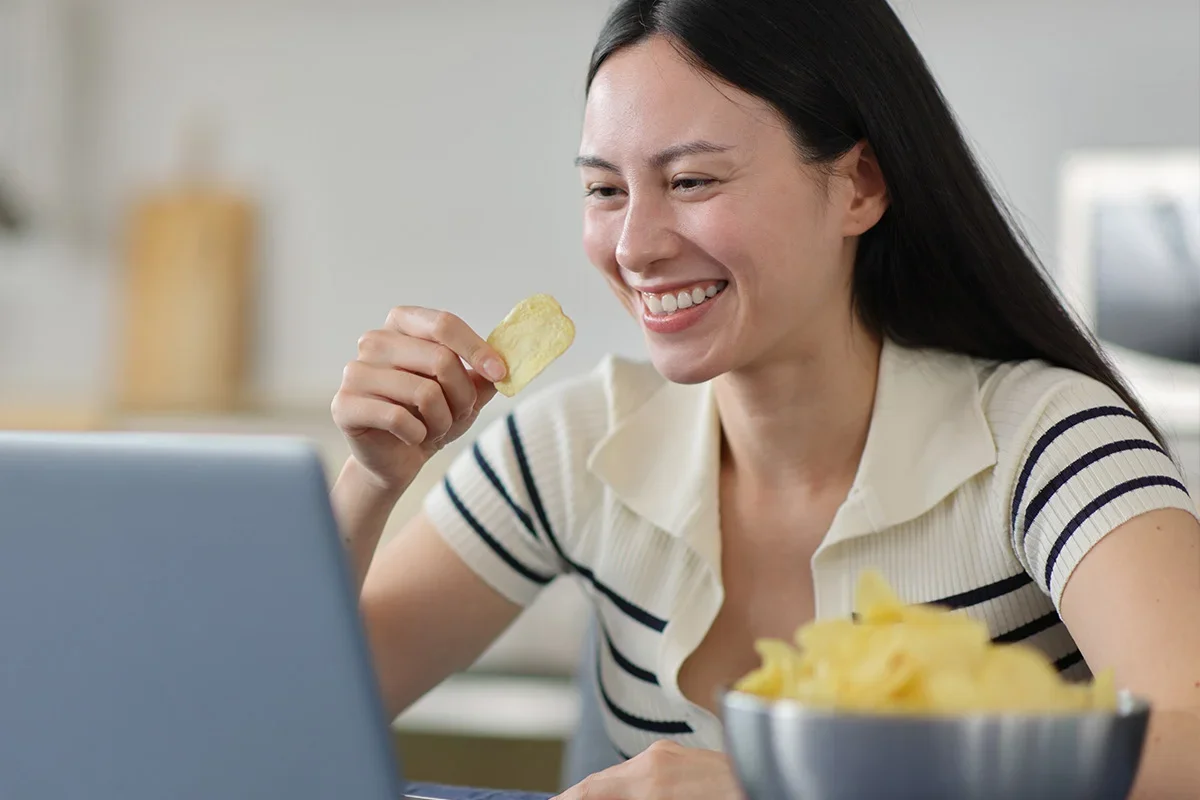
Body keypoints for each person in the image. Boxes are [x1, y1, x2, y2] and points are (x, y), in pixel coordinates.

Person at [329, 1, 1200, 797]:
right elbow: (270, 720)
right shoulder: (569, 449)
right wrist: (372, 481)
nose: (634, 245)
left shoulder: (1047, 443)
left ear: (859, 184)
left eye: (693, 181)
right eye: (604, 189)